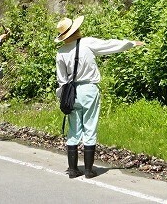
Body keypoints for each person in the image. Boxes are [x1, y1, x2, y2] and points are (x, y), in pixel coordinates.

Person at [54, 16, 144, 178]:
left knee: (73, 129)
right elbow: (109, 45)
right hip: (89, 89)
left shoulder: (61, 52)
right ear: (76, 30)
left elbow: (61, 80)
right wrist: (131, 43)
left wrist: (62, 97)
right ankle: (89, 170)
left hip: (71, 92)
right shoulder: (87, 43)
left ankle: (73, 170)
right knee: (90, 126)